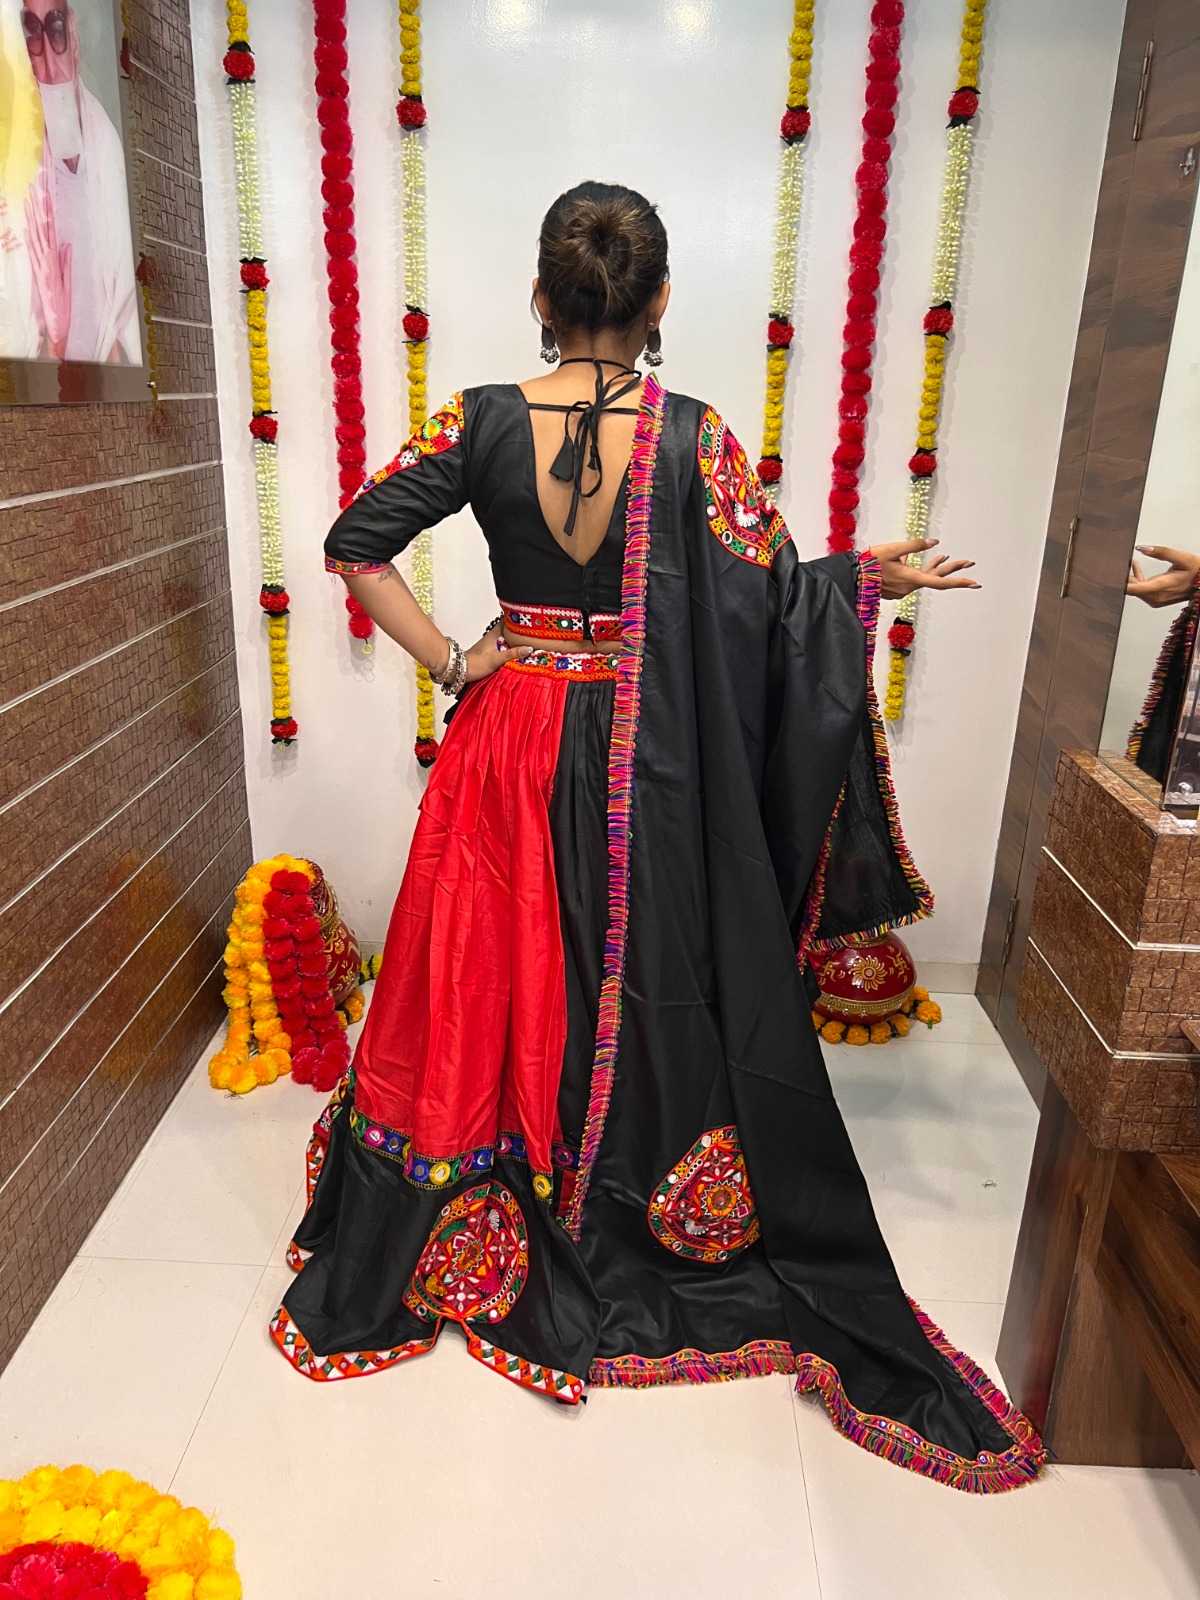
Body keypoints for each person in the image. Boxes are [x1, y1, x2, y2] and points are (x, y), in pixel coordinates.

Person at [275, 181, 1045, 1494]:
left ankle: (478, 1187)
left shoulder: (476, 419)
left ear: (541, 294)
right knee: (623, 959)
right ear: (661, 301)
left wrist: (458, 661)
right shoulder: (694, 438)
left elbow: (356, 544)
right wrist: (860, 579)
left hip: (509, 733)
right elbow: (770, 603)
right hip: (642, 756)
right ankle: (612, 1188)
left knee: (494, 952)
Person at [19, 0, 139, 363]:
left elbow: (122, 308)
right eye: (32, 31)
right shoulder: (16, 154)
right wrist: (54, 336)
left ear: (73, 31)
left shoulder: (104, 141)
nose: (46, 53)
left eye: (55, 29)